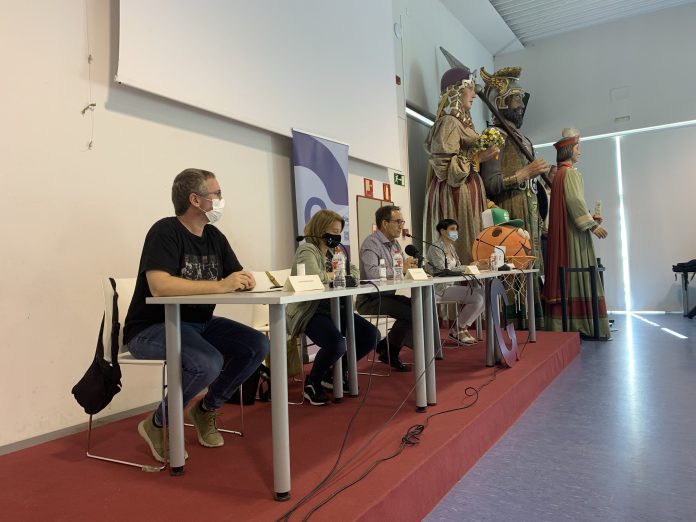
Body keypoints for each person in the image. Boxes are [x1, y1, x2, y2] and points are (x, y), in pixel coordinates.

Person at [123, 168, 270, 462]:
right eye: (216, 194)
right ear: (195, 199)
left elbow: (234, 274)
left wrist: (245, 280)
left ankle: (206, 410)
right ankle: (157, 424)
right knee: (207, 362)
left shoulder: (214, 235)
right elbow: (159, 285)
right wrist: (221, 285)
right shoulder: (164, 231)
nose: (221, 200)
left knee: (257, 345)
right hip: (151, 328)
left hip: (197, 324)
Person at [479, 66, 549, 328]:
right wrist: (524, 173)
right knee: (512, 268)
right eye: (514, 99)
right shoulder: (494, 136)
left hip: (527, 207)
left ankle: (531, 320)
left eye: (521, 99)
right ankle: (512, 323)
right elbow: (491, 184)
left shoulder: (521, 137)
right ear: (500, 103)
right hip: (510, 210)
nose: (520, 106)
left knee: (530, 267)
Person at [287, 209, 380, 405]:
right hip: (310, 311)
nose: (336, 236)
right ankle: (312, 382)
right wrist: (338, 274)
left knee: (371, 335)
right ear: (320, 229)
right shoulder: (307, 250)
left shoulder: (333, 253)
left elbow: (353, 272)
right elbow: (315, 277)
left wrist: (340, 274)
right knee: (336, 344)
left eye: (339, 232)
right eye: (333, 231)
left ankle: (333, 374)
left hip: (335, 309)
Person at [423, 67, 500, 264]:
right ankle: (460, 285)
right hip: (454, 193)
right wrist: (478, 158)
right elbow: (445, 167)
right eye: (470, 88)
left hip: (467, 190)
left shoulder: (462, 124)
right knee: (461, 244)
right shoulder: (448, 122)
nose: (474, 94)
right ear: (456, 90)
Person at [542, 129, 611, 339]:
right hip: (573, 237)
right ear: (569, 150)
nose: (580, 151)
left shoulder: (561, 173)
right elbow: (574, 203)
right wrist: (592, 225)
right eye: (577, 147)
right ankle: (584, 324)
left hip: (570, 229)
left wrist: (589, 217)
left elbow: (570, 205)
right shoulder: (569, 173)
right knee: (579, 273)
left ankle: (571, 323)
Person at [356, 205, 417, 372]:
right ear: (384, 223)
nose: (401, 226)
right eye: (397, 222)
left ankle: (388, 347)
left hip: (386, 295)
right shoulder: (371, 243)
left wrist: (410, 266)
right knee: (412, 312)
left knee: (417, 307)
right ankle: (390, 349)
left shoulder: (395, 244)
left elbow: (401, 269)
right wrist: (402, 269)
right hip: (370, 298)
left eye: (402, 222)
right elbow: (372, 273)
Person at [427, 218, 485, 344]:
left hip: (451, 286)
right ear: (442, 231)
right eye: (452, 229)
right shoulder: (436, 247)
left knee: (485, 295)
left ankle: (462, 327)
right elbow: (443, 270)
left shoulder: (451, 247)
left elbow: (457, 266)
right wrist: (470, 266)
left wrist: (472, 266)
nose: (456, 232)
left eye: (456, 230)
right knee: (477, 299)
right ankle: (457, 328)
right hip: (439, 289)